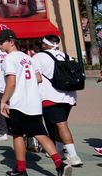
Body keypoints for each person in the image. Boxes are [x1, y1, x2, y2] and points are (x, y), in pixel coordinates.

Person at [0, 29, 70, 176]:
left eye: (1, 42)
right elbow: (38, 78)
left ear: (11, 42)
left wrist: (3, 101)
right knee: (40, 134)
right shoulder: (29, 58)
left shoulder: (9, 59)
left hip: (19, 103)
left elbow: (11, 82)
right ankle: (59, 163)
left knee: (17, 135)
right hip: (34, 102)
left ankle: (21, 169)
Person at [32, 34, 82, 167]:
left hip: (50, 96)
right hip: (69, 96)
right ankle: (59, 151)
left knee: (61, 125)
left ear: (46, 44)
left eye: (43, 43)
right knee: (58, 125)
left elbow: (37, 78)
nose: (41, 45)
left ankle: (74, 156)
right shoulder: (66, 56)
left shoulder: (38, 57)